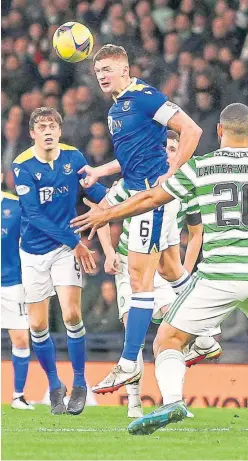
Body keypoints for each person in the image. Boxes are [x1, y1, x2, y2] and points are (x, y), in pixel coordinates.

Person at [72, 103, 248, 436]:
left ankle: (172, 401)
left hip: (219, 275)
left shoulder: (201, 167)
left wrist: (107, 215)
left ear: (219, 131)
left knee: (167, 339)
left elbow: (151, 198)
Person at [78, 44, 202, 389]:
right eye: (97, 70)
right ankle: (206, 335)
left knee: (138, 278)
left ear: (125, 69)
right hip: (135, 187)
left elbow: (192, 130)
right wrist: (98, 171)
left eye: (107, 69)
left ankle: (129, 361)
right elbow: (131, 159)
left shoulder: (145, 96)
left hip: (152, 196)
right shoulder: (117, 108)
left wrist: (173, 171)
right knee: (167, 268)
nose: (101, 75)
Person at [91, 130, 221, 418]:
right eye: (167, 148)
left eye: (175, 148)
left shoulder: (184, 189)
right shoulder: (139, 182)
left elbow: (196, 235)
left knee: (169, 334)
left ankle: (174, 396)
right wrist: (110, 253)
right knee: (132, 327)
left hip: (160, 266)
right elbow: (102, 214)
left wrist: (184, 273)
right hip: (130, 263)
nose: (170, 153)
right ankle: (134, 405)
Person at [11, 107, 106, 415]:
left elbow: (96, 190)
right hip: (35, 251)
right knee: (37, 325)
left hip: (66, 250)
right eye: (42, 126)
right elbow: (34, 215)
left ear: (60, 131)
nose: (48, 130)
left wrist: (124, 198)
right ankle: (55, 385)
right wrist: (76, 242)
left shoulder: (74, 158)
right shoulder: (22, 165)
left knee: (72, 314)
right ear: (33, 134)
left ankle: (79, 383)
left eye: (52, 125)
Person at [1, 187, 34, 410]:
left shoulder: (16, 206)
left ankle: (18, 396)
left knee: (21, 339)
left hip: (11, 282)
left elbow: (30, 239)